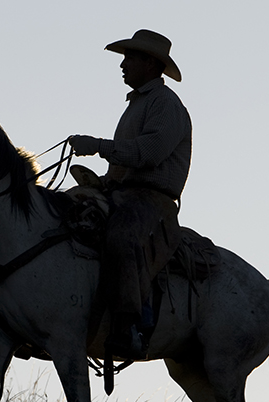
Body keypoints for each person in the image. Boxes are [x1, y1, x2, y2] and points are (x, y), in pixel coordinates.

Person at [69, 29, 192, 359]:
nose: (122, 64)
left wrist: (97, 147)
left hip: (151, 199)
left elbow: (149, 153)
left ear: (149, 63)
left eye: (130, 58)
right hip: (123, 193)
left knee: (123, 238)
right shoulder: (141, 103)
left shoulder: (166, 104)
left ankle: (128, 326)